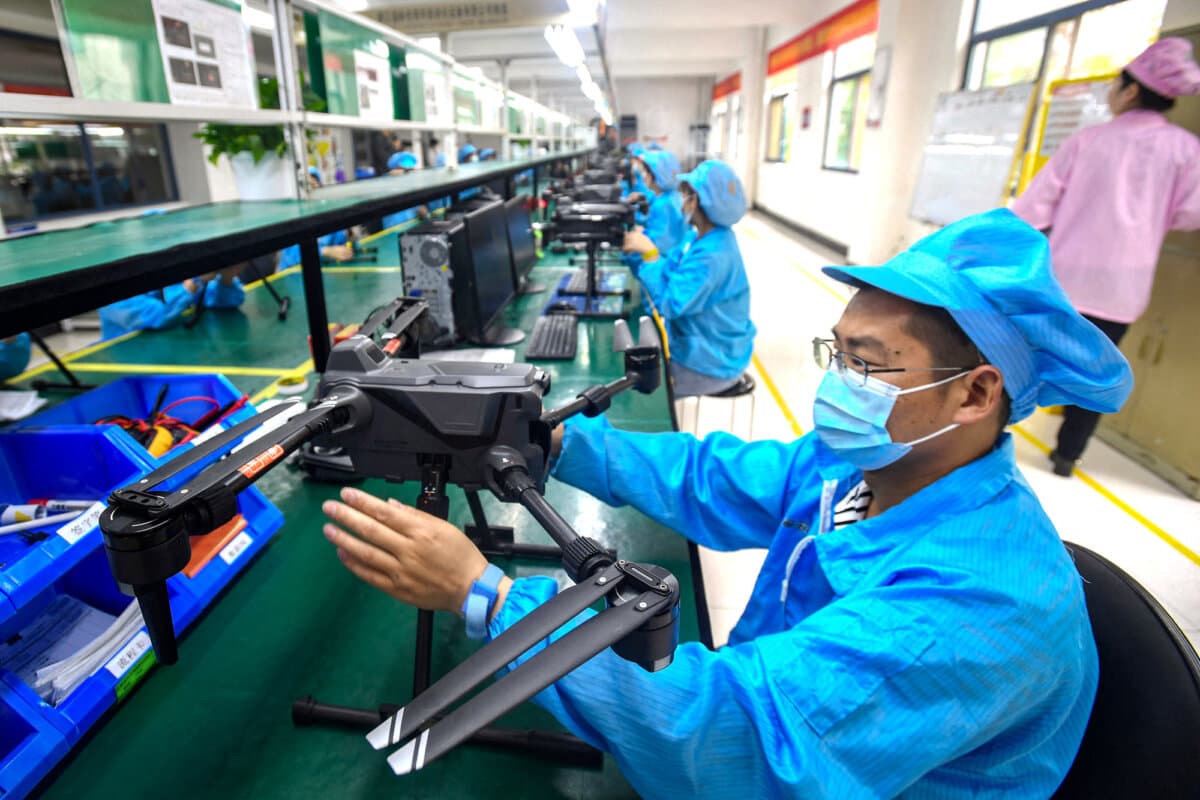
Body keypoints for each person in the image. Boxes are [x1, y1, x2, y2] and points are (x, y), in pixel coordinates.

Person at [319, 209, 1133, 797]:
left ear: (975, 393)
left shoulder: (977, 605)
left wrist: (487, 597)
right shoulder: (881, 465)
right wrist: (551, 439)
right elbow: (717, 481)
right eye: (836, 353)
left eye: (868, 364)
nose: (835, 384)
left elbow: (739, 737)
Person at [1011, 37, 1200, 477]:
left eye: (1116, 84)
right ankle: (1066, 456)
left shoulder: (1088, 140)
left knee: (1028, 360)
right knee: (1097, 372)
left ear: (1132, 90)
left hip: (1064, 280)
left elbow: (1034, 207)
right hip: (1122, 290)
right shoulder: (1187, 150)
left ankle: (994, 435)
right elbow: (1192, 213)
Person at [622, 159, 756, 397]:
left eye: (687, 195)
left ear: (698, 201)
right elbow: (670, 271)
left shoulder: (713, 255)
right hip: (702, 347)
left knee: (640, 395)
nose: (682, 200)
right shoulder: (698, 238)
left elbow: (671, 304)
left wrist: (651, 255)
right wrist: (648, 251)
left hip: (711, 363)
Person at [98, 266, 246, 340]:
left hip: (175, 351)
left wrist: (227, 278)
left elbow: (225, 300)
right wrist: (196, 281)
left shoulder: (170, 272)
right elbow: (159, 317)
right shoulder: (112, 290)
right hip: (125, 366)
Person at [623, 149, 689, 266]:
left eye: (646, 172)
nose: (643, 176)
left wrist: (629, 253)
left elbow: (658, 244)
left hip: (663, 265)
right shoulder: (672, 196)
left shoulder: (663, 205)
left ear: (657, 177)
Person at [280, 167, 354, 267]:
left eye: (315, 184)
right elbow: (291, 256)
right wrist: (326, 251)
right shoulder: (293, 218)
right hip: (293, 276)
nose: (312, 188)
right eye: (308, 186)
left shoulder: (327, 215)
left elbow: (343, 241)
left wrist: (350, 238)